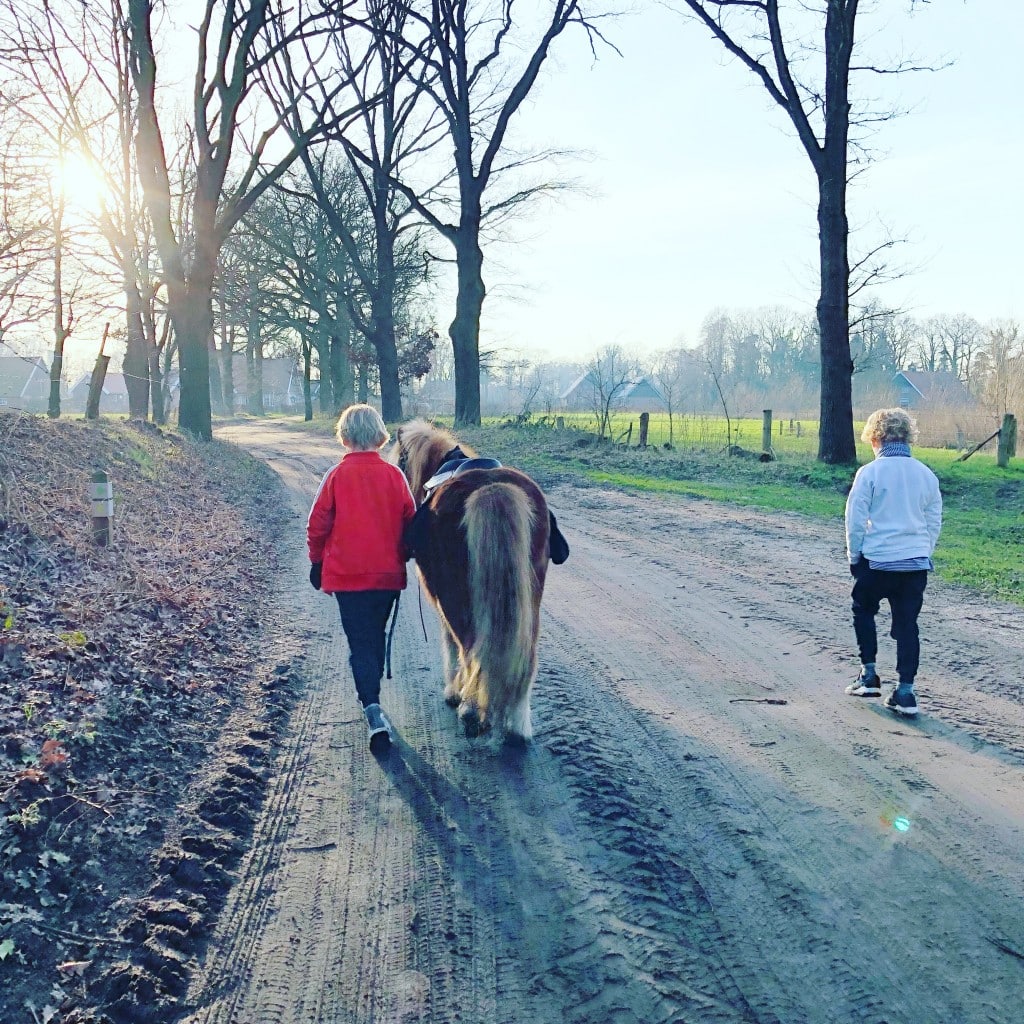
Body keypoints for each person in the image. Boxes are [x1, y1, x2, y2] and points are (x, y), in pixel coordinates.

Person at [307, 405, 415, 752]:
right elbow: (411, 523)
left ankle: (371, 707)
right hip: (385, 577)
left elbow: (317, 523)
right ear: (379, 434)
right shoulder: (395, 477)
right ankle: (373, 702)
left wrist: (316, 561)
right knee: (376, 636)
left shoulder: (336, 476)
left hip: (346, 578)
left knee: (359, 642)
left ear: (345, 435)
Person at [844, 408, 942, 717]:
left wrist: (854, 555)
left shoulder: (870, 473)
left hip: (878, 561)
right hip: (914, 564)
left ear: (876, 438)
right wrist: (924, 550)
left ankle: (869, 674)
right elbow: (933, 519)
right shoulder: (926, 473)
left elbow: (855, 519)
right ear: (907, 438)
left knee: (863, 609)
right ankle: (906, 691)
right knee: (907, 625)